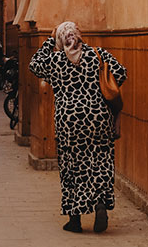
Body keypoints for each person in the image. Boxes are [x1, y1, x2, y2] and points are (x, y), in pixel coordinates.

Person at [29, 21, 127, 234]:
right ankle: (100, 205)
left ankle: (75, 219)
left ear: (61, 39)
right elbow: (120, 74)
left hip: (68, 121)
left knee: (72, 166)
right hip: (98, 118)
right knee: (100, 162)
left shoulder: (56, 59)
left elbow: (34, 65)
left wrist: (49, 40)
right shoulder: (97, 54)